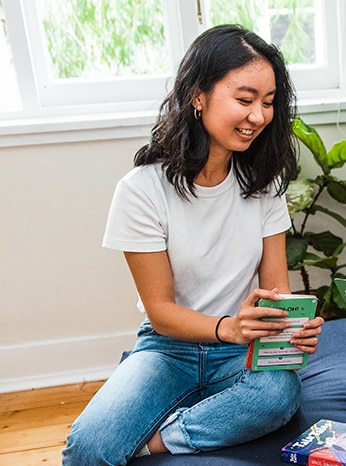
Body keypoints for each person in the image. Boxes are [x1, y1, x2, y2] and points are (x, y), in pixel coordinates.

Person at [62, 24, 324, 465]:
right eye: (244, 100)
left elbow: (275, 292)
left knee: (278, 394)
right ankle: (172, 425)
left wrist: (292, 329)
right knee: (88, 447)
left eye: (268, 102)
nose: (259, 116)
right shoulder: (141, 190)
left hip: (242, 350)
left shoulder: (264, 185)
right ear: (197, 95)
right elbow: (161, 311)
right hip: (169, 348)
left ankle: (156, 442)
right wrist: (228, 327)